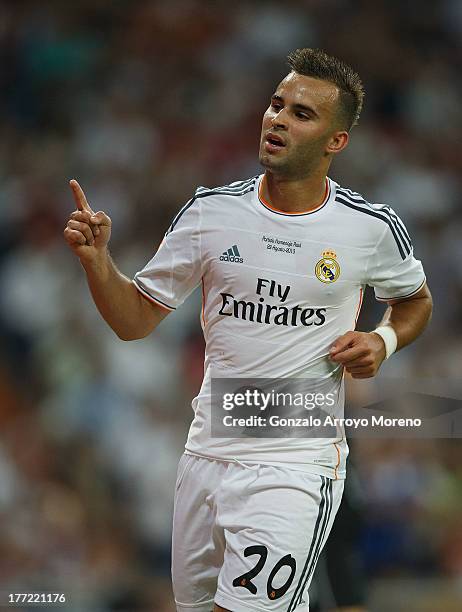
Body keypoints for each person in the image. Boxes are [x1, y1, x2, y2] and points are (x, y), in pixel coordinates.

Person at [63, 48, 432, 612]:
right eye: (276, 104)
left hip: (296, 461)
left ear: (336, 141)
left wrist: (383, 340)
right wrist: (97, 262)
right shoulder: (211, 212)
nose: (278, 118)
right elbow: (134, 321)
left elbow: (414, 302)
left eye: (302, 114)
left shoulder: (370, 229)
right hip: (206, 453)